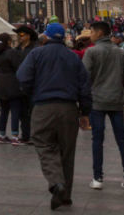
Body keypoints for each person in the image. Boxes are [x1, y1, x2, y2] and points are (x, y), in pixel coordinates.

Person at [17, 22, 92, 210]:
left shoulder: (36, 54)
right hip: (68, 108)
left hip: (43, 107)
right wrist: (85, 112)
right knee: (67, 151)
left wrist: (32, 93)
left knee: (44, 144)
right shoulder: (73, 58)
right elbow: (85, 86)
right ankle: (65, 195)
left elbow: (22, 77)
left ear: (47, 37)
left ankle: (56, 182)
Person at [81, 20, 124, 190]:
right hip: (116, 101)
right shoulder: (120, 53)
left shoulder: (91, 52)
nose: (90, 35)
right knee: (121, 139)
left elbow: (84, 76)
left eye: (92, 31)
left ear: (100, 33)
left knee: (97, 139)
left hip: (97, 101)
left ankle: (97, 178)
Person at [0, 33, 23, 144]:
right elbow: (18, 68)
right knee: (15, 110)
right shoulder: (12, 53)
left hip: (1, 84)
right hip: (12, 84)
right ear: (9, 41)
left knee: (4, 111)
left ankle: (2, 135)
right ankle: (15, 136)